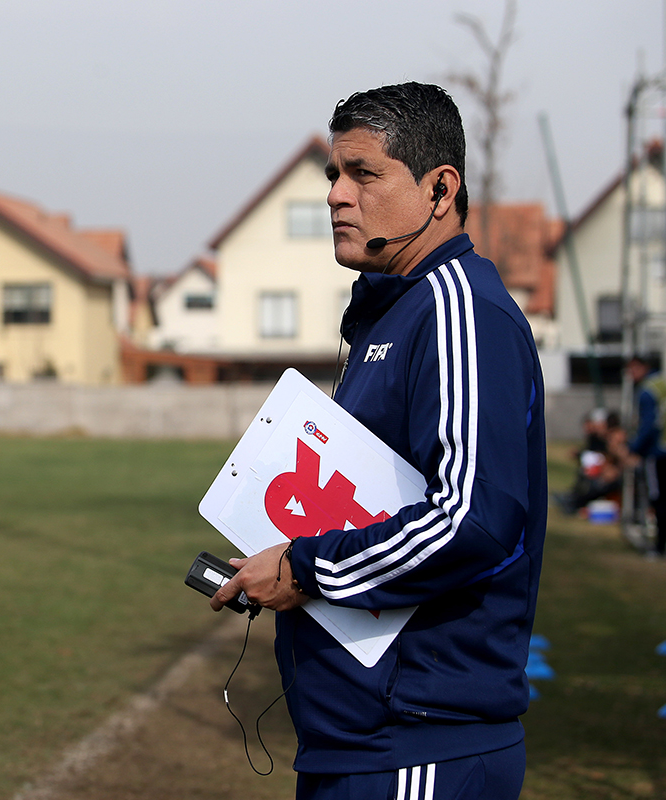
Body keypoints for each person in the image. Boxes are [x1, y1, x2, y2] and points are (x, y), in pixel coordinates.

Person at [211, 83, 547, 800]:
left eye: (363, 173)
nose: (336, 194)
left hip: (418, 743)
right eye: (334, 174)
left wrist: (304, 570)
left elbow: (471, 520)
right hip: (359, 744)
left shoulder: (459, 311)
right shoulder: (389, 314)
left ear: (439, 189)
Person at [627, 354, 666, 558]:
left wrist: (634, 448)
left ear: (643, 367)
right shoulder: (661, 383)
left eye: (633, 370)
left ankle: (659, 546)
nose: (630, 375)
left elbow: (648, 426)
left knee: (658, 499)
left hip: (658, 453)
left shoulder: (647, 392)